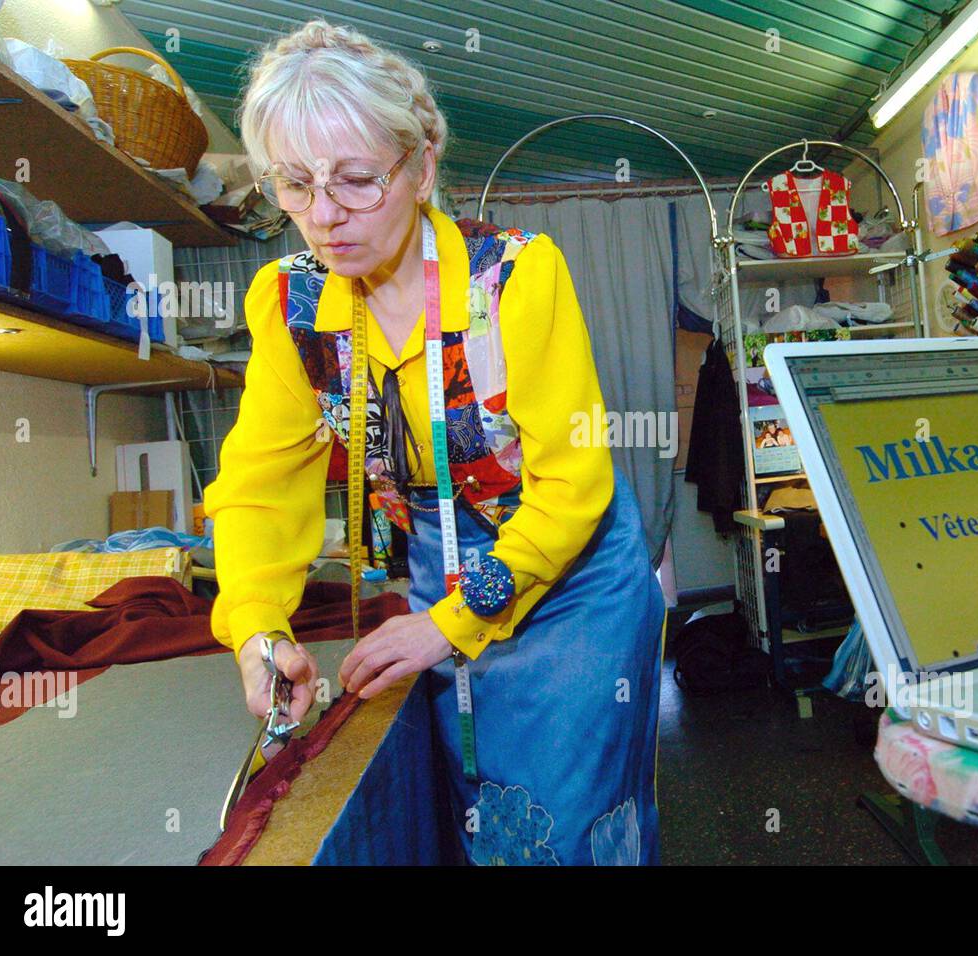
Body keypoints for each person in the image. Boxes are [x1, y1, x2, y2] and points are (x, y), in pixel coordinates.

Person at [203, 19, 666, 866]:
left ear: (421, 166)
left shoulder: (517, 280)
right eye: (295, 186)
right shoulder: (289, 306)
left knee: (561, 823)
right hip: (439, 567)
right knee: (484, 811)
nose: (324, 217)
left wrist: (449, 623)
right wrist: (257, 627)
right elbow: (259, 485)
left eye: (355, 181)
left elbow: (574, 484)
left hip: (571, 574)